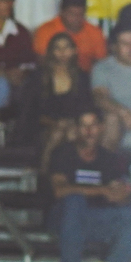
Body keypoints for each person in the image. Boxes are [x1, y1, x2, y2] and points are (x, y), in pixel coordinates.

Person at [48, 108, 131, 262]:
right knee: (75, 200)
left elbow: (115, 193)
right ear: (76, 129)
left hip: (94, 219)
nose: (89, 131)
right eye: (84, 126)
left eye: (94, 125)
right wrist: (102, 190)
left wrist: (122, 194)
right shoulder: (63, 152)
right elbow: (60, 190)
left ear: (102, 128)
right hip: (63, 219)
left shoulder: (108, 158)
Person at [18, 32, 93, 173]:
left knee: (69, 132)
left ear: (74, 50)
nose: (63, 52)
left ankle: (63, 175)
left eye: (66, 48)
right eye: (58, 48)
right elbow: (30, 112)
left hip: (73, 126)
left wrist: (71, 123)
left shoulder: (82, 77)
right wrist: (54, 123)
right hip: (41, 127)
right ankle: (46, 173)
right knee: (59, 132)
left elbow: (86, 108)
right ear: (51, 52)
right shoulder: (38, 76)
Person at [33, 0, 107, 73]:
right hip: (53, 76)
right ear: (62, 12)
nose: (76, 19)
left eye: (80, 14)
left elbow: (101, 65)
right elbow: (41, 62)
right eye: (72, 14)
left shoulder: (95, 32)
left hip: (85, 78)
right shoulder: (46, 30)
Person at [93, 27, 131, 153]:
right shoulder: (103, 68)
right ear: (114, 47)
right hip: (122, 133)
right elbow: (100, 98)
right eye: (124, 43)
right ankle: (107, 163)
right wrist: (123, 112)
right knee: (111, 119)